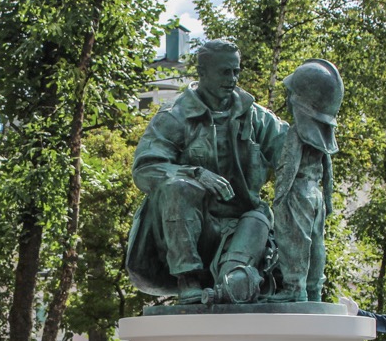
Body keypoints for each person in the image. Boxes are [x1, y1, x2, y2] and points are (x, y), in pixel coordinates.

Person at [127, 39, 288, 305]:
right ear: (202, 73)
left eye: (236, 71)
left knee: (261, 217)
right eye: (225, 72)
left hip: (242, 226)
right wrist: (195, 173)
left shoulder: (256, 117)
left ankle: (238, 280)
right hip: (193, 230)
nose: (233, 79)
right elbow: (146, 168)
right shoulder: (175, 116)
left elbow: (290, 153)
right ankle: (189, 279)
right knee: (176, 186)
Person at [271, 59, 342, 303]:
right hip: (316, 195)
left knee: (295, 242)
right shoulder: (321, 135)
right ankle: (314, 290)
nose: (288, 99)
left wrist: (279, 198)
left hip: (297, 192)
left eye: (291, 95)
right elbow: (328, 169)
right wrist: (329, 200)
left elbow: (289, 166)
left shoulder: (297, 132)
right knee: (316, 244)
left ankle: (294, 289)